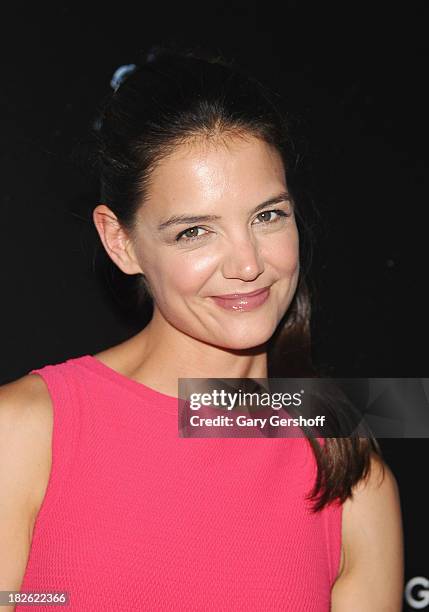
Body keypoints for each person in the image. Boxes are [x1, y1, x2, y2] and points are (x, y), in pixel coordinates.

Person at [0, 44, 403, 611]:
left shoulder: (348, 471)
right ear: (121, 242)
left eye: (268, 216)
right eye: (195, 231)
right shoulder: (22, 434)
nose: (247, 264)